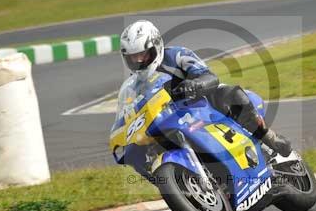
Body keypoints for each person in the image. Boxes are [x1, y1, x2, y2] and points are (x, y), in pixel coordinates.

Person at [118, 20, 293, 157]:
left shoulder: (177, 55)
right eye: (133, 57)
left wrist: (194, 84)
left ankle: (267, 137)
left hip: (203, 101)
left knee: (231, 94)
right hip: (171, 118)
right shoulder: (135, 85)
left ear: (155, 46)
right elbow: (131, 110)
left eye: (142, 54)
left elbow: (209, 76)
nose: (139, 61)